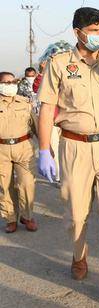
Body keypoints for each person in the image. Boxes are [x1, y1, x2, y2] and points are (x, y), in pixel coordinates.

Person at [37, 7, 99, 307]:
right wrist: (44, 150)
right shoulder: (59, 64)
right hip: (74, 146)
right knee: (75, 216)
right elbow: (45, 109)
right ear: (78, 32)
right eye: (94, 30)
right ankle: (79, 255)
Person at [0, 72, 38, 233]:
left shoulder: (25, 103)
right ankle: (10, 218)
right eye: (6, 82)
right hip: (2, 150)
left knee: (27, 184)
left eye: (13, 81)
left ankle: (27, 216)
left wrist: (45, 148)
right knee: (4, 186)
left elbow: (36, 125)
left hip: (24, 147)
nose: (11, 85)